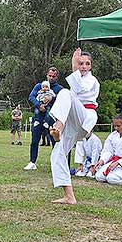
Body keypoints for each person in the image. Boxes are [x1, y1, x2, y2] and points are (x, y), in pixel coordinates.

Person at [48, 48, 100, 204]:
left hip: (86, 116)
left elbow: (78, 89)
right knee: (57, 153)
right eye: (80, 63)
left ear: (90, 66)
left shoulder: (92, 80)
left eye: (86, 64)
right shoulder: (78, 79)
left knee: (65, 92)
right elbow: (74, 90)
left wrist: (73, 66)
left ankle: (58, 125)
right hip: (73, 120)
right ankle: (69, 195)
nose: (83, 66)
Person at [24, 67, 63, 170]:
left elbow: (63, 100)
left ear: (56, 77)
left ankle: (57, 163)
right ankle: (32, 162)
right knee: (35, 140)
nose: (51, 78)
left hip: (52, 119)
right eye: (49, 76)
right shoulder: (39, 86)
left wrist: (52, 98)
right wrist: (38, 105)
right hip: (38, 117)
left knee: (54, 141)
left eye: (53, 76)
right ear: (46, 75)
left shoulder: (59, 89)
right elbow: (31, 97)